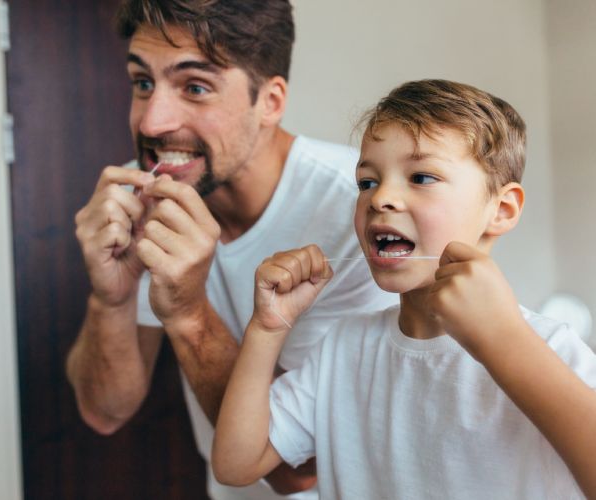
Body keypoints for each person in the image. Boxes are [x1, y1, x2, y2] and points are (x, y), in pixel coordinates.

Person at [66, 1, 396, 499]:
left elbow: (298, 470)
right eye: (142, 83)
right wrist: (109, 297)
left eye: (195, 86)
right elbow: (105, 412)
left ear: (270, 101)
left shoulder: (362, 215)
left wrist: (188, 313)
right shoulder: (144, 203)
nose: (153, 123)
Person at [212, 79, 596, 499]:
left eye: (421, 176)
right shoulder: (344, 347)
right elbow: (236, 464)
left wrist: (503, 340)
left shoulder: (551, 347)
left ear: (501, 210)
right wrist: (267, 330)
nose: (381, 199)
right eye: (367, 182)